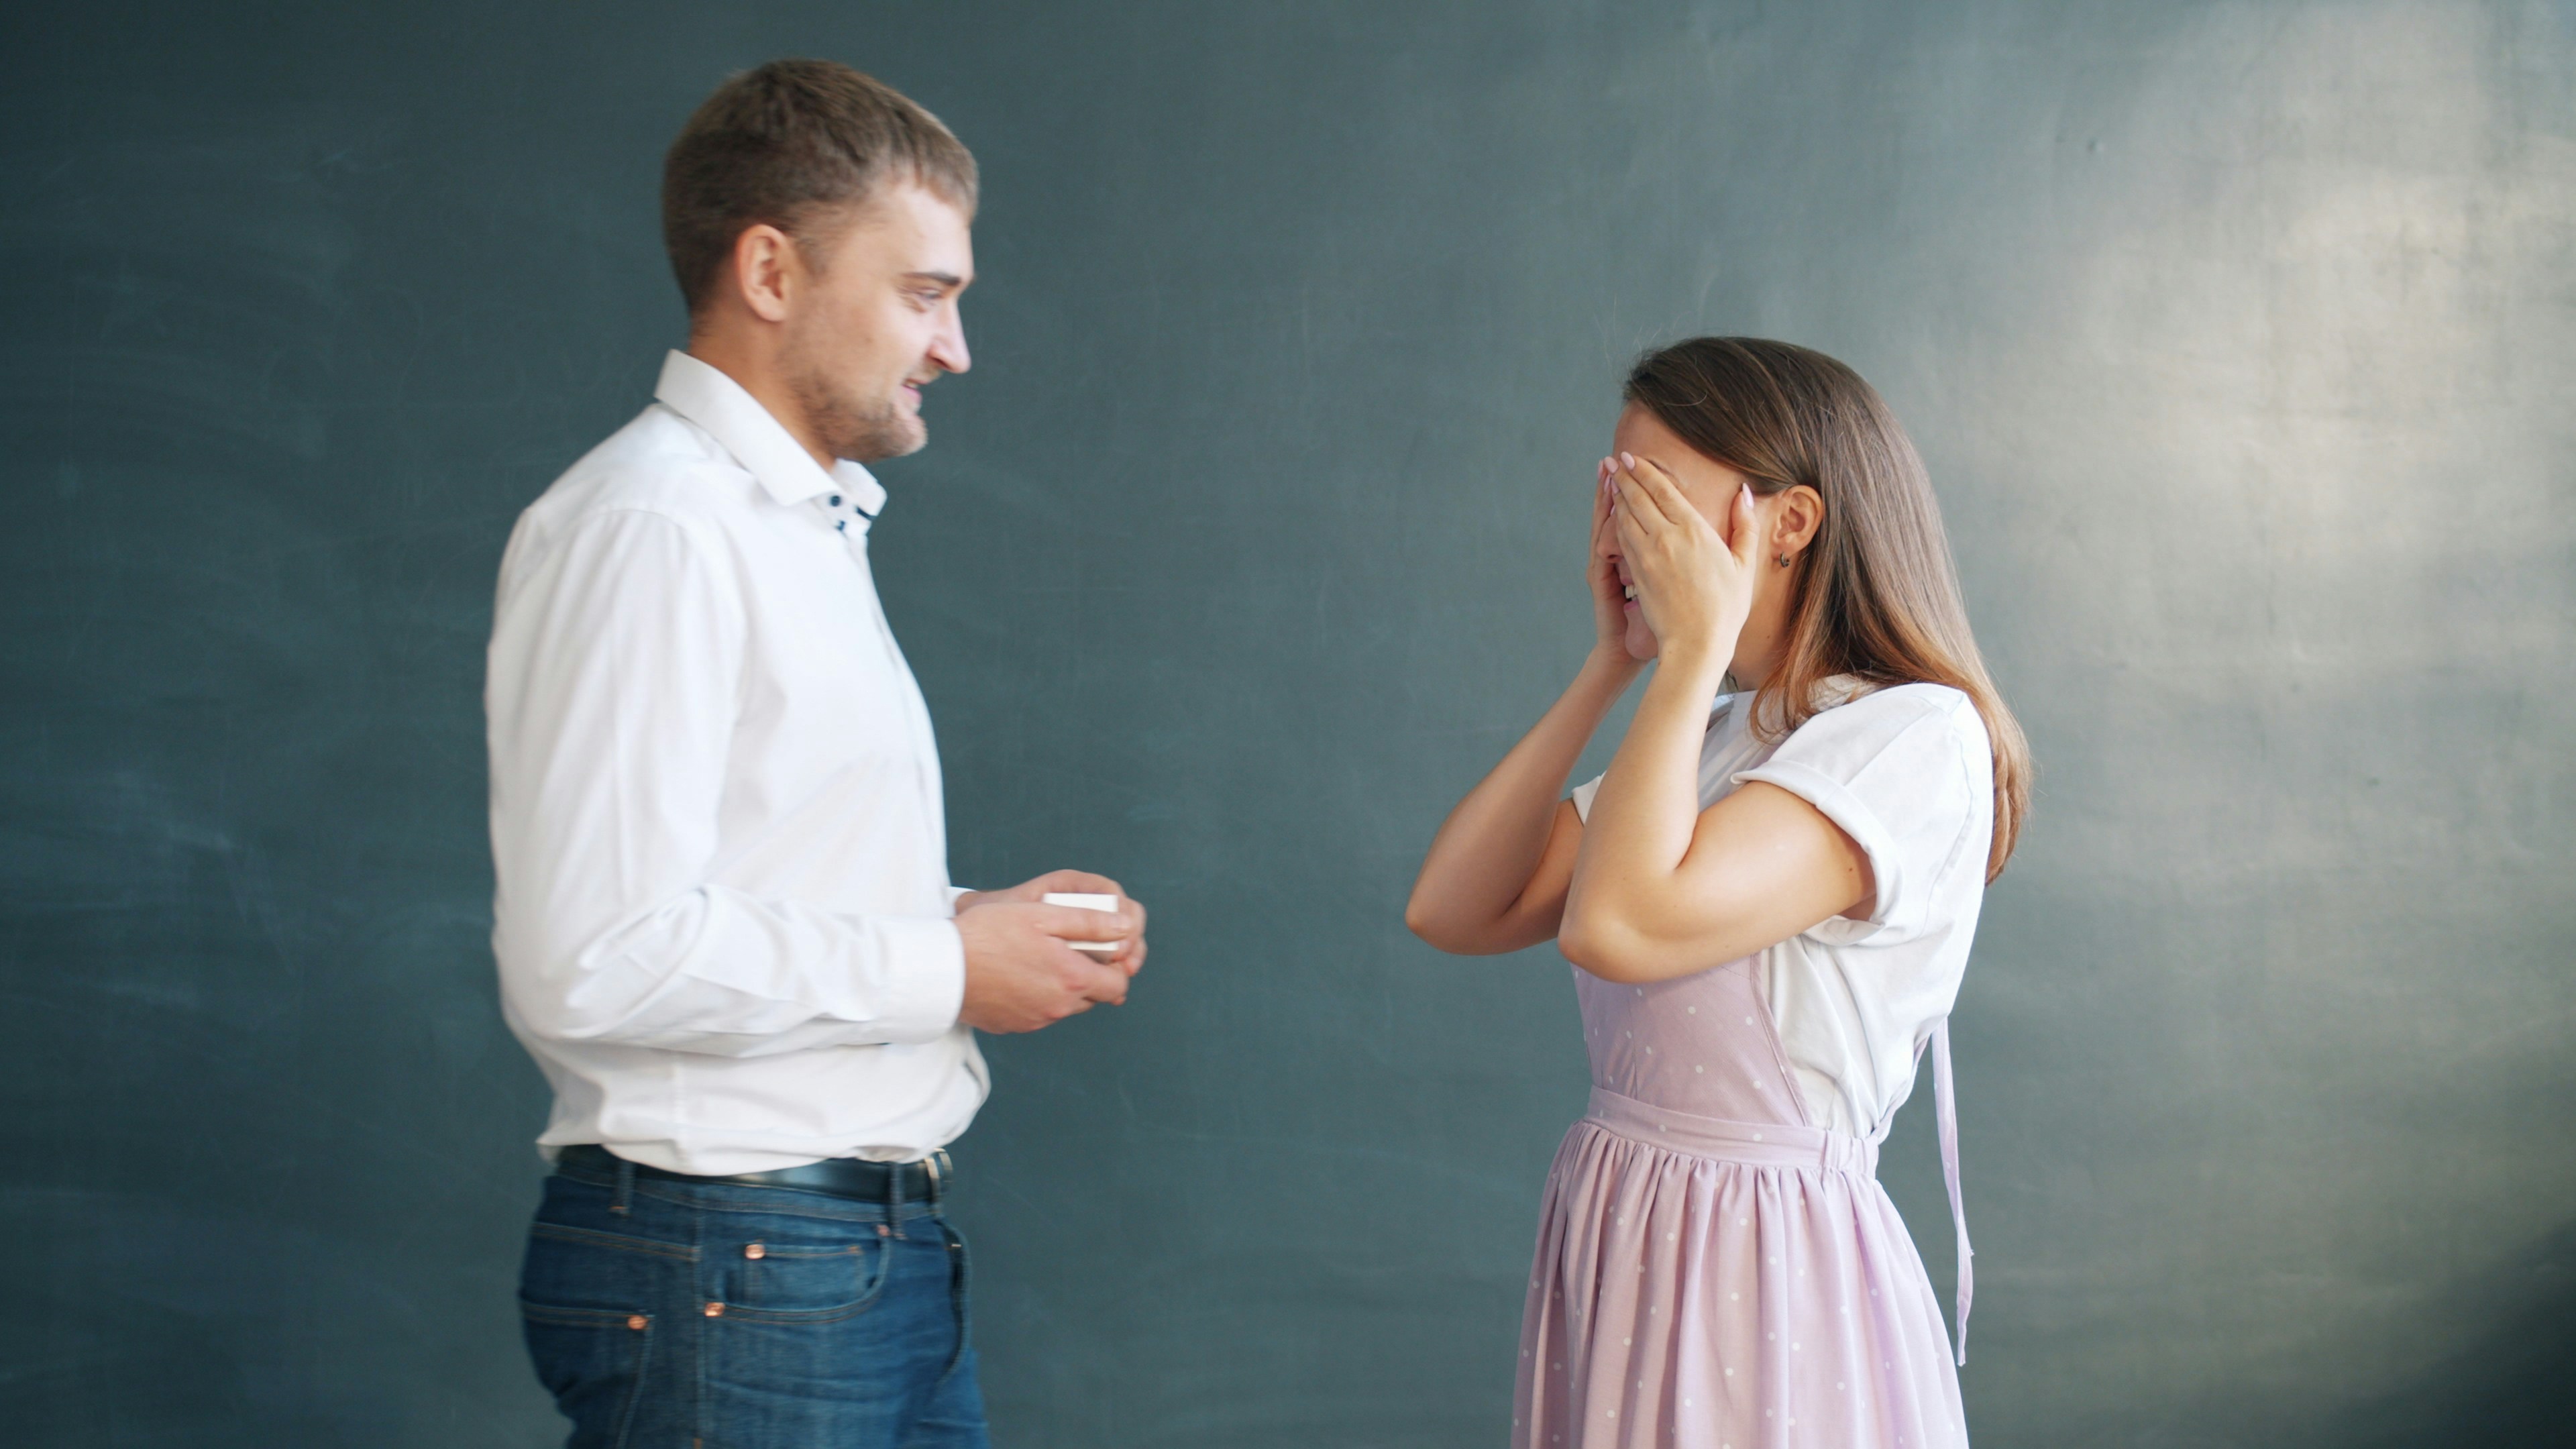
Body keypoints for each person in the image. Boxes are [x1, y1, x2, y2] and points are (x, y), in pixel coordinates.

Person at [484, 59, 1147, 1446]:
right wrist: (952, 967)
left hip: (827, 1265)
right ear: (771, 272)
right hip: (738, 1266)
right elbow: (596, 952)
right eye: (925, 294)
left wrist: (977, 927)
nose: (955, 348)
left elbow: (744, 877)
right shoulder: (657, 529)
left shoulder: (791, 526)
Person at [1406, 337, 2029, 1448]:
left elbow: (1617, 927)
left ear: (1786, 523)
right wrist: (1620, 661)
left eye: (1654, 496)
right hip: (1627, 1231)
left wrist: (1691, 655)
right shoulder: (1719, 738)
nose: (1621, 527)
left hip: (1763, 1261)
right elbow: (1455, 907)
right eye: (1612, 491)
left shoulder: (1912, 735)